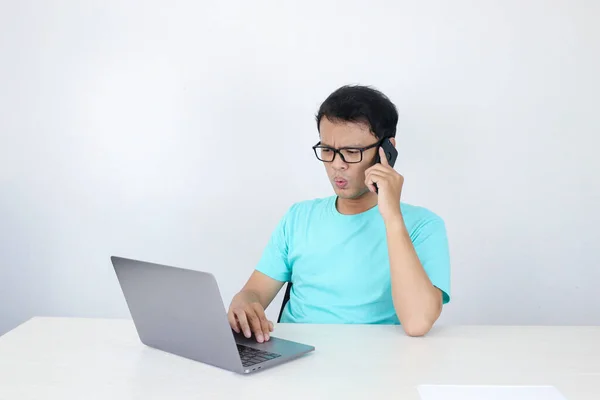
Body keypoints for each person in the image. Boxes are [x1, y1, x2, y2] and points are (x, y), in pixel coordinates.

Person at [227, 85, 451, 341]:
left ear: (386, 151)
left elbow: (417, 322)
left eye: (351, 152)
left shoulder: (423, 226)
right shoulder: (299, 217)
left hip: (378, 366)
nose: (336, 165)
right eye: (327, 151)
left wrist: (391, 217)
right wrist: (243, 303)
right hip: (295, 363)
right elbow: (254, 293)